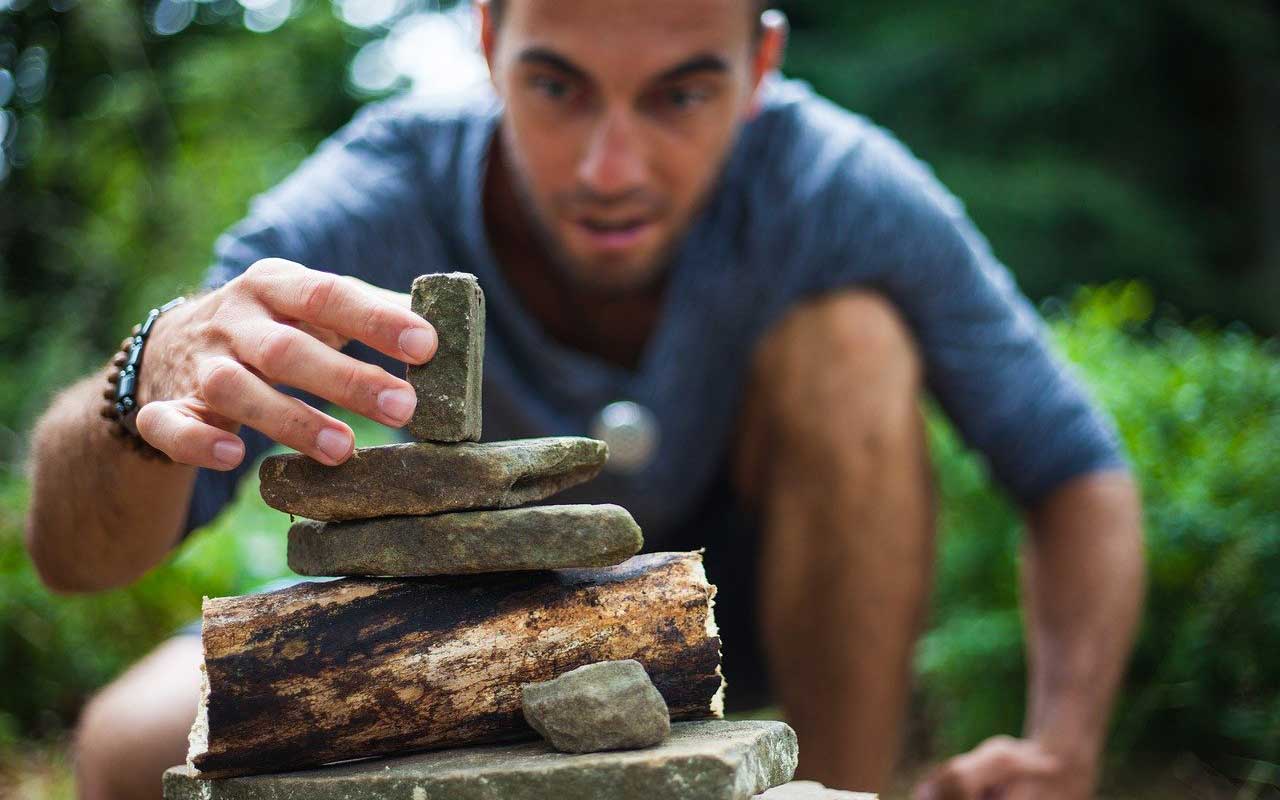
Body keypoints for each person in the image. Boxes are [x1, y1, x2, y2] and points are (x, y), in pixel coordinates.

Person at [23, 0, 1145, 797]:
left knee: (850, 345)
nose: (611, 167)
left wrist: (1064, 743)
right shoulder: (376, 192)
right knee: (129, 745)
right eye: (557, 86)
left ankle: (829, 789)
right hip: (450, 642)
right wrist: (144, 375)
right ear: (486, 43)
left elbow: (1070, 466)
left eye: (679, 94)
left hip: (761, 635)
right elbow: (77, 558)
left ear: (758, 69)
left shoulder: (838, 188)